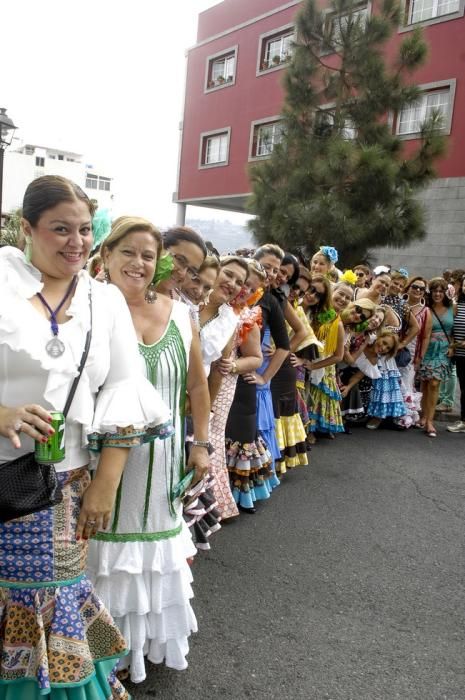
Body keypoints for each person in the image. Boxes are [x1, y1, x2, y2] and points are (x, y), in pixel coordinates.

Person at [0, 176, 172, 699]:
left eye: (83, 230)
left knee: (47, 595)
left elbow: (123, 390)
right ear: (27, 228)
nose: (76, 243)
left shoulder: (105, 301)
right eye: (59, 229)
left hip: (60, 486)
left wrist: (106, 485)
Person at [88, 216, 211, 682]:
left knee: (150, 560)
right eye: (128, 252)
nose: (140, 263)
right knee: (101, 558)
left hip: (161, 463)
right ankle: (97, 655)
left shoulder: (181, 314)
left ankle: (132, 654)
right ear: (107, 255)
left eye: (148, 255)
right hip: (99, 465)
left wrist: (201, 445)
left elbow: (198, 386)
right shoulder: (89, 309)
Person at [200, 256, 251, 520]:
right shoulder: (183, 302)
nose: (231, 284)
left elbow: (220, 368)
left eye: (239, 282)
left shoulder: (229, 320)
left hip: (192, 401)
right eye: (228, 275)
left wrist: (204, 410)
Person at [419, 278, 455, 437]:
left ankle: (430, 421)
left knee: (434, 383)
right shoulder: (425, 308)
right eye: (434, 291)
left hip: (443, 350)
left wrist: (453, 346)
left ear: (445, 292)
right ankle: (424, 415)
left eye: (441, 291)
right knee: (426, 383)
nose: (437, 294)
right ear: (430, 292)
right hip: (427, 349)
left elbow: (456, 330)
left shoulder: (452, 308)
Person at [156, 225, 207, 300]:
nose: (182, 274)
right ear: (161, 247)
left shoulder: (180, 307)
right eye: (180, 260)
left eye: (191, 271)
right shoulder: (134, 285)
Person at [448, 273, 465, 433]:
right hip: (460, 354)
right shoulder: (457, 303)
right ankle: (463, 421)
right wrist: (453, 345)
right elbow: (452, 326)